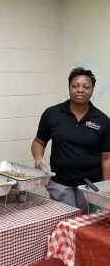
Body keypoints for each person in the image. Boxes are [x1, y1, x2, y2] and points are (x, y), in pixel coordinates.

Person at [31, 67, 110, 214]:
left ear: (92, 91)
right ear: (69, 88)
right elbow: (39, 142)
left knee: (86, 227)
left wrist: (106, 189)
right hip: (59, 183)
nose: (80, 90)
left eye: (86, 87)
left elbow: (107, 158)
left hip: (90, 187)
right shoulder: (52, 114)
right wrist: (38, 159)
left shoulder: (103, 120)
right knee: (64, 223)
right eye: (75, 86)